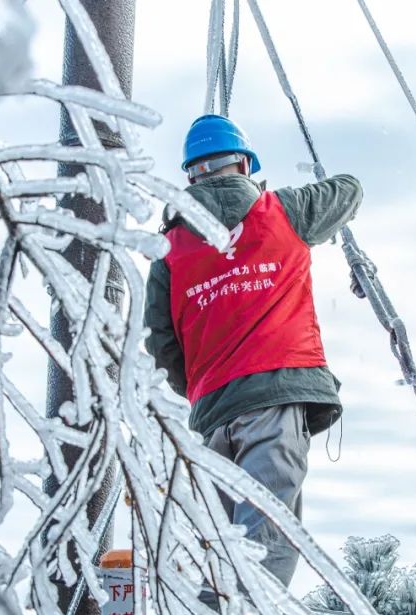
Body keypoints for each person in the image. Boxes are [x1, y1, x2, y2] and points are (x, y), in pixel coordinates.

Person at [144, 114, 362, 590]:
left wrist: (201, 385)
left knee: (217, 548)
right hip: (276, 398)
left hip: (211, 414)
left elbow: (159, 347)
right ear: (244, 164)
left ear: (191, 177)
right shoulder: (284, 211)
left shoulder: (168, 251)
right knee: (266, 540)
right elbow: (349, 189)